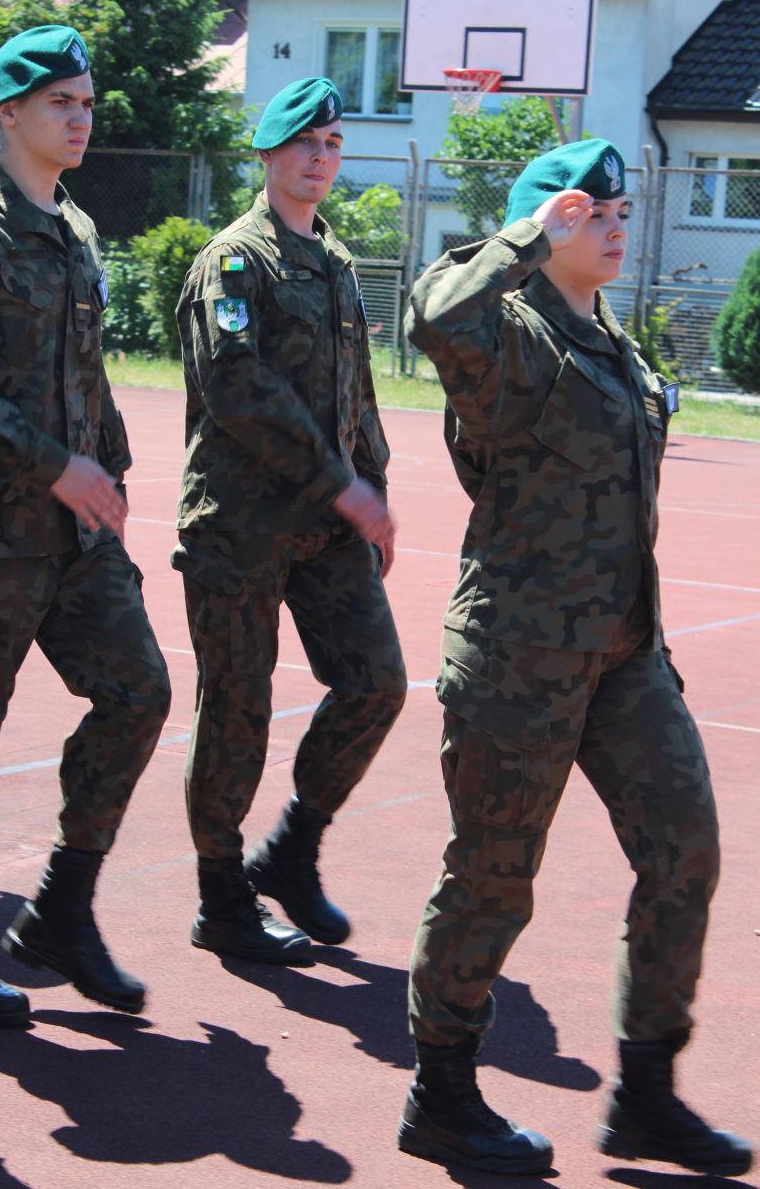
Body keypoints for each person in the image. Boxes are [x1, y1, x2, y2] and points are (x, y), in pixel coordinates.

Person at [396, 140, 753, 1177]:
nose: (611, 223)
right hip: (519, 654)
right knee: (493, 874)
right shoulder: (508, 339)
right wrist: (523, 236)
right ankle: (441, 1095)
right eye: (586, 210)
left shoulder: (618, 348)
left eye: (618, 209)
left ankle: (644, 1093)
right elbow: (431, 315)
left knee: (684, 850)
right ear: (542, 225)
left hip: (623, 655)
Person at [0, 25, 172, 1027]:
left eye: (87, 102)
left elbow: (85, 376)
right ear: (7, 111)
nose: (80, 117)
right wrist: (53, 463)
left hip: (74, 539)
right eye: (61, 101)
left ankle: (61, 907)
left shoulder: (77, 230)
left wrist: (108, 470)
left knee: (138, 690)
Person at [172, 77, 407, 965]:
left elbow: (358, 395)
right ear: (268, 153)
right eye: (305, 142)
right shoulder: (236, 263)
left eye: (333, 143)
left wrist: (371, 491)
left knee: (376, 683)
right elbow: (236, 387)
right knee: (237, 708)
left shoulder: (335, 262)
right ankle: (220, 897)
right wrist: (339, 483)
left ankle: (291, 849)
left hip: (329, 528)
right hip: (239, 525)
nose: (320, 157)